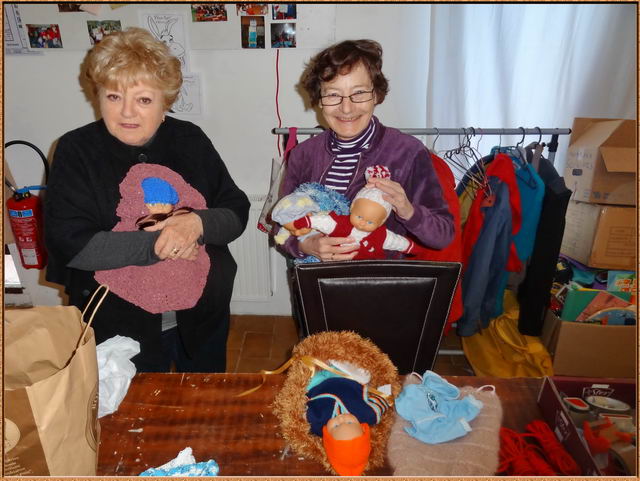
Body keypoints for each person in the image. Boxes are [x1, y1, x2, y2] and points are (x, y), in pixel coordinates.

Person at [44, 27, 250, 372]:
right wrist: (159, 243)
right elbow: (72, 243)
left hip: (201, 315)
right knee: (132, 417)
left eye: (143, 99)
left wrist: (197, 223)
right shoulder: (75, 150)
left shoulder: (190, 140)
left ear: (165, 102)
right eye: (113, 97)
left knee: (203, 407)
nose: (127, 113)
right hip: (119, 327)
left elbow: (235, 210)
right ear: (98, 96)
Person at [277, 39, 454, 262]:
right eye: (333, 95)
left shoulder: (407, 152)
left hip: (379, 286)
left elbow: (443, 236)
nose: (346, 108)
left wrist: (408, 210)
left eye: (359, 93)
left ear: (376, 95)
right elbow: (279, 219)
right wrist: (305, 245)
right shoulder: (303, 154)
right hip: (318, 286)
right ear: (319, 101)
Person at [282, 166, 426, 260]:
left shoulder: (381, 234)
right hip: (335, 271)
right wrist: (302, 225)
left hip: (371, 273)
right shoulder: (340, 224)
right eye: (359, 216)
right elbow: (321, 221)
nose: (362, 222)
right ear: (352, 208)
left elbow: (397, 242)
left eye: (370, 222)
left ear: (381, 222)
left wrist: (413, 248)